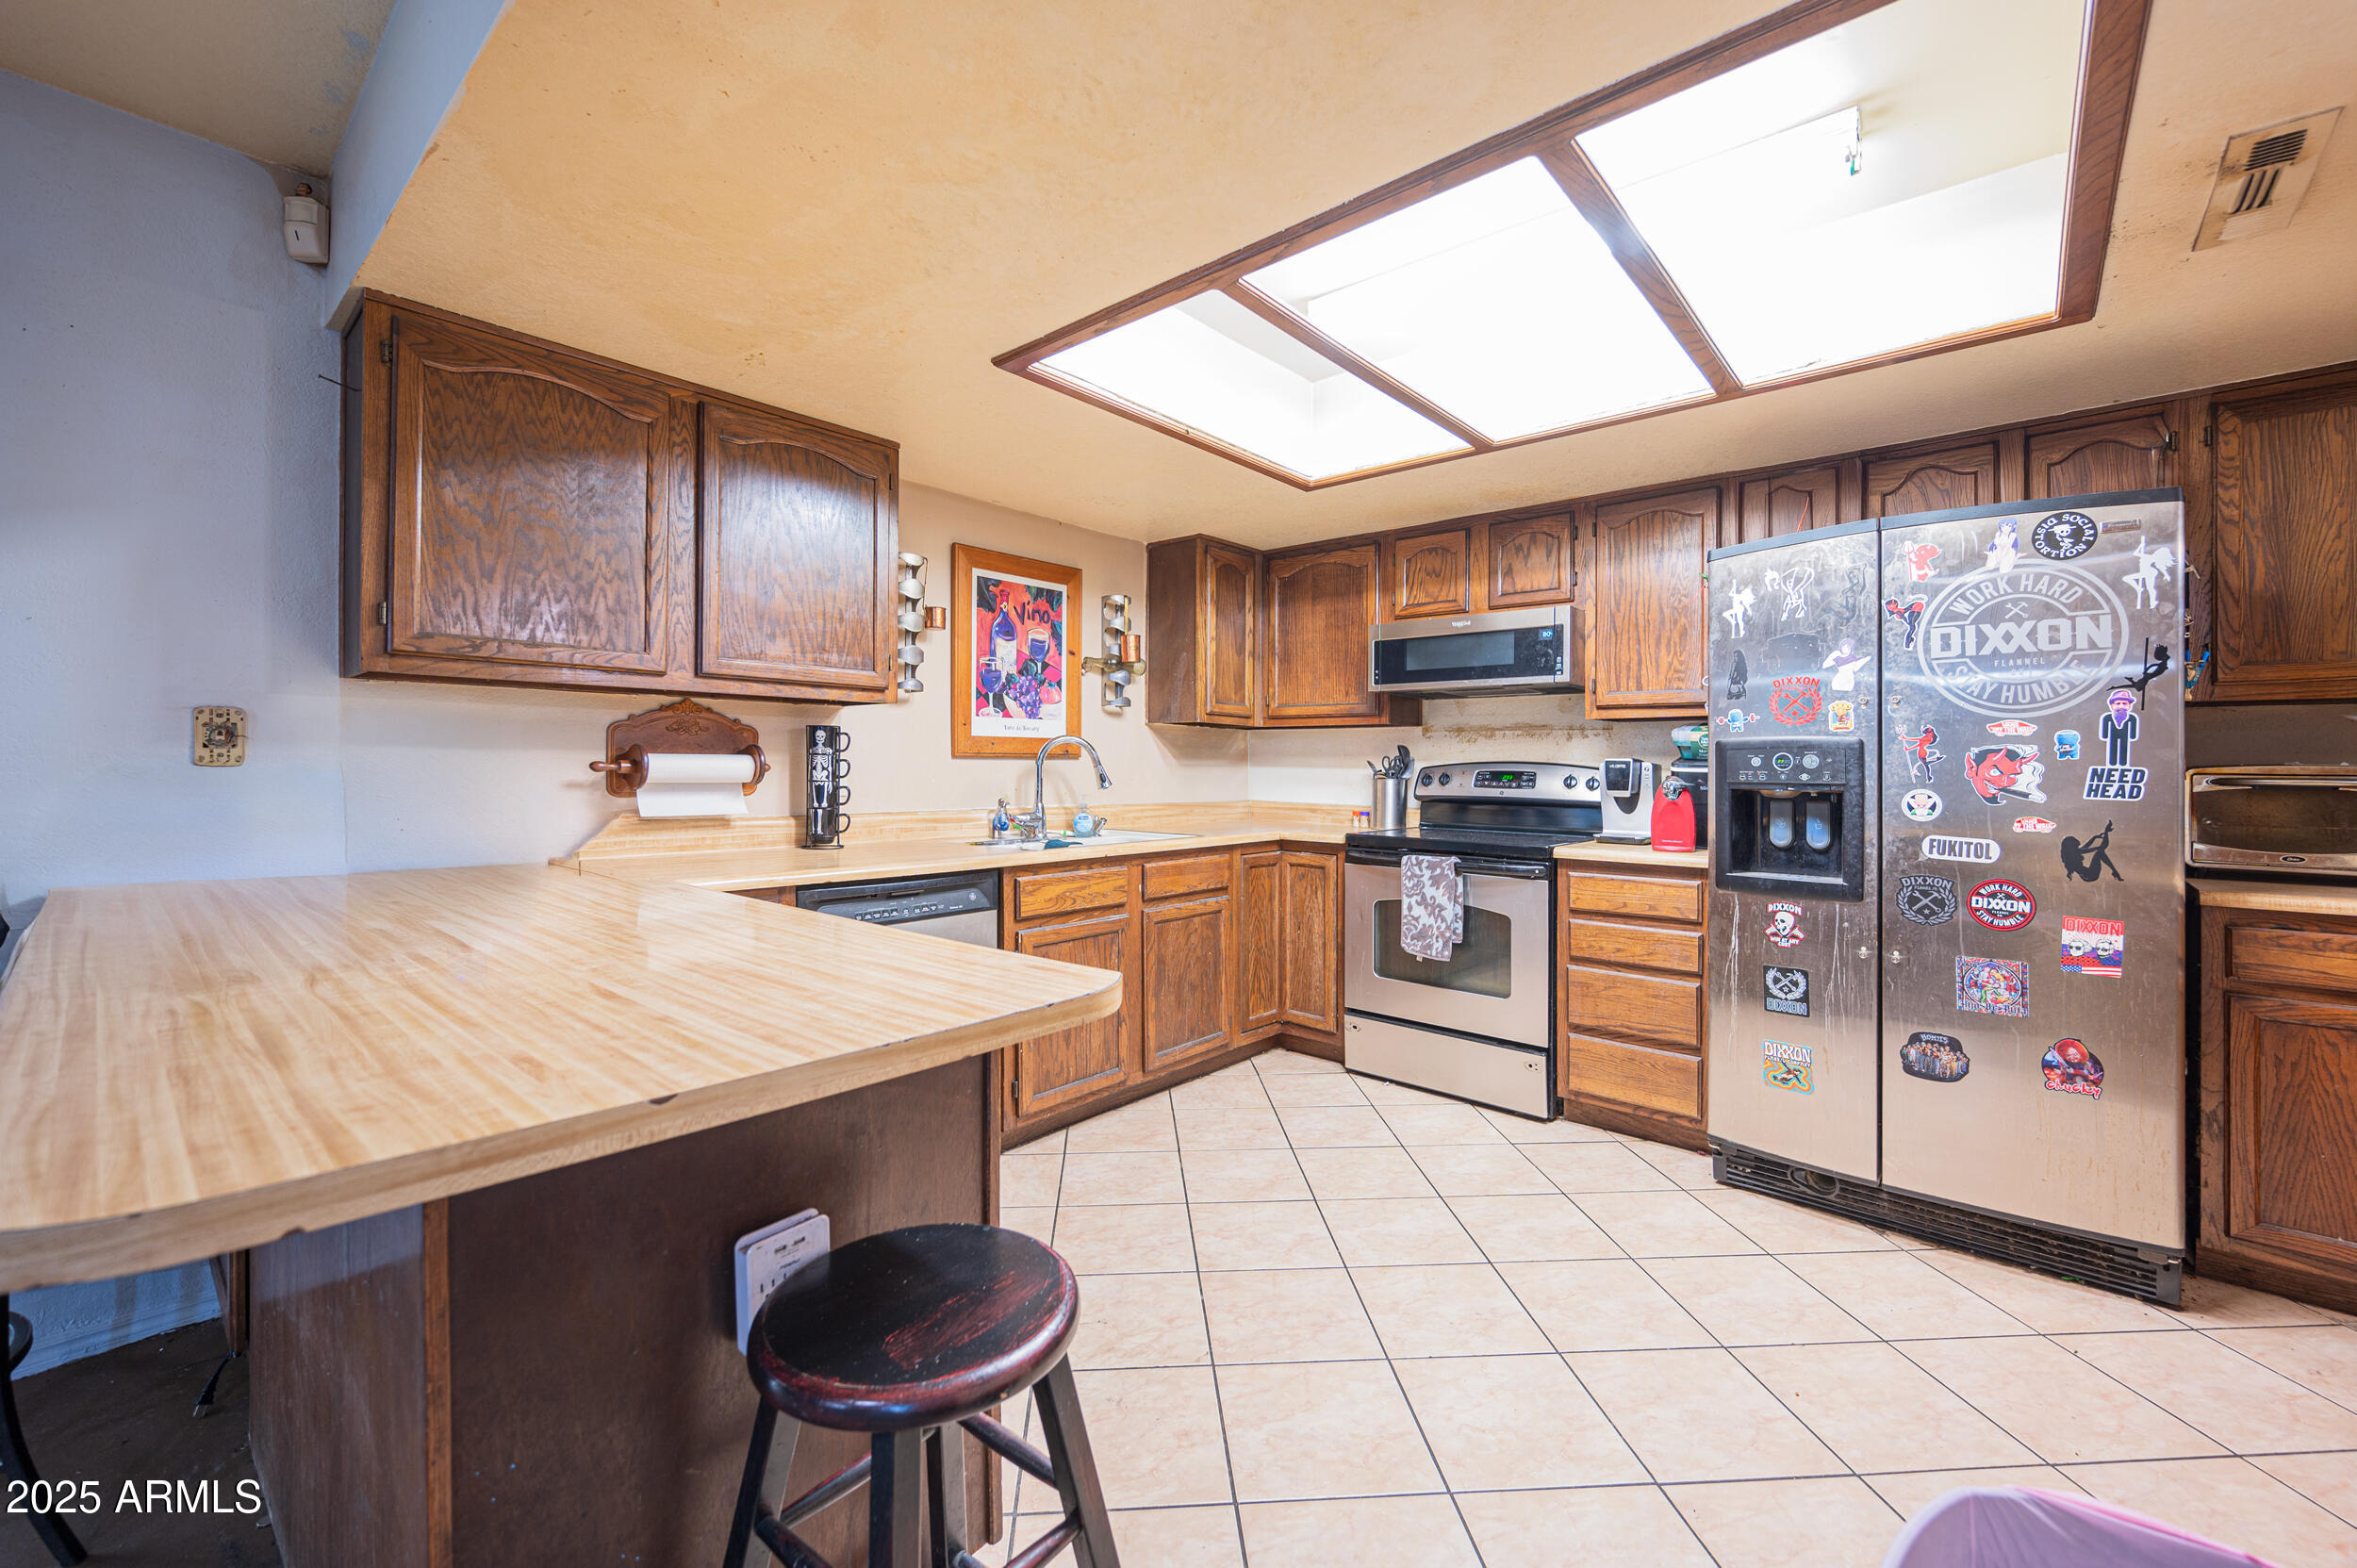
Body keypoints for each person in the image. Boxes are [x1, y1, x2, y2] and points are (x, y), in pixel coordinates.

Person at [2060, 819, 2121, 883]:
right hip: (2091, 875)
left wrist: (2094, 837)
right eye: (2075, 846)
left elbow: (2085, 847)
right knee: (2099, 853)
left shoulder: (2070, 854)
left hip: (2086, 877)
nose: (2077, 848)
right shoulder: (2073, 854)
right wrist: (2106, 831)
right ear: (2071, 846)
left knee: (2099, 851)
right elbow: (2102, 847)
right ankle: (2114, 871)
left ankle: (2114, 871)